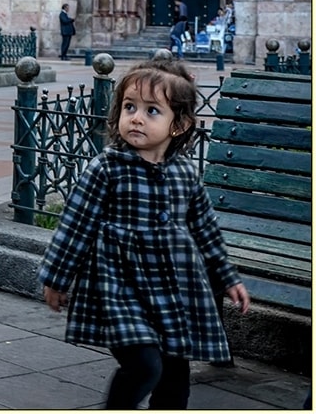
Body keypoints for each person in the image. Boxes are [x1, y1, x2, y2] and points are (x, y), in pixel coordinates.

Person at [38, 60, 249, 410]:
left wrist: (227, 276)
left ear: (178, 125)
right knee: (144, 365)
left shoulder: (184, 173)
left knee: (175, 374)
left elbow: (205, 229)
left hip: (173, 293)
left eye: (152, 111)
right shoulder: (107, 167)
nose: (136, 117)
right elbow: (76, 225)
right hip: (120, 288)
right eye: (129, 107)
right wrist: (57, 278)